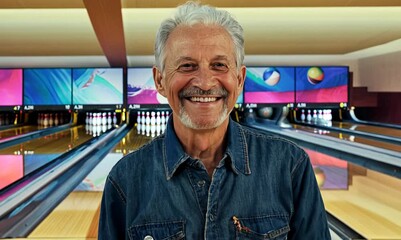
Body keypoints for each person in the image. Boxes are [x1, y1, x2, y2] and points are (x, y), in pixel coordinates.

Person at [98, 1, 331, 239]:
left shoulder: (290, 166)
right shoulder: (125, 180)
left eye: (219, 65)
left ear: (240, 79)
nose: (205, 82)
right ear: (159, 81)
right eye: (187, 66)